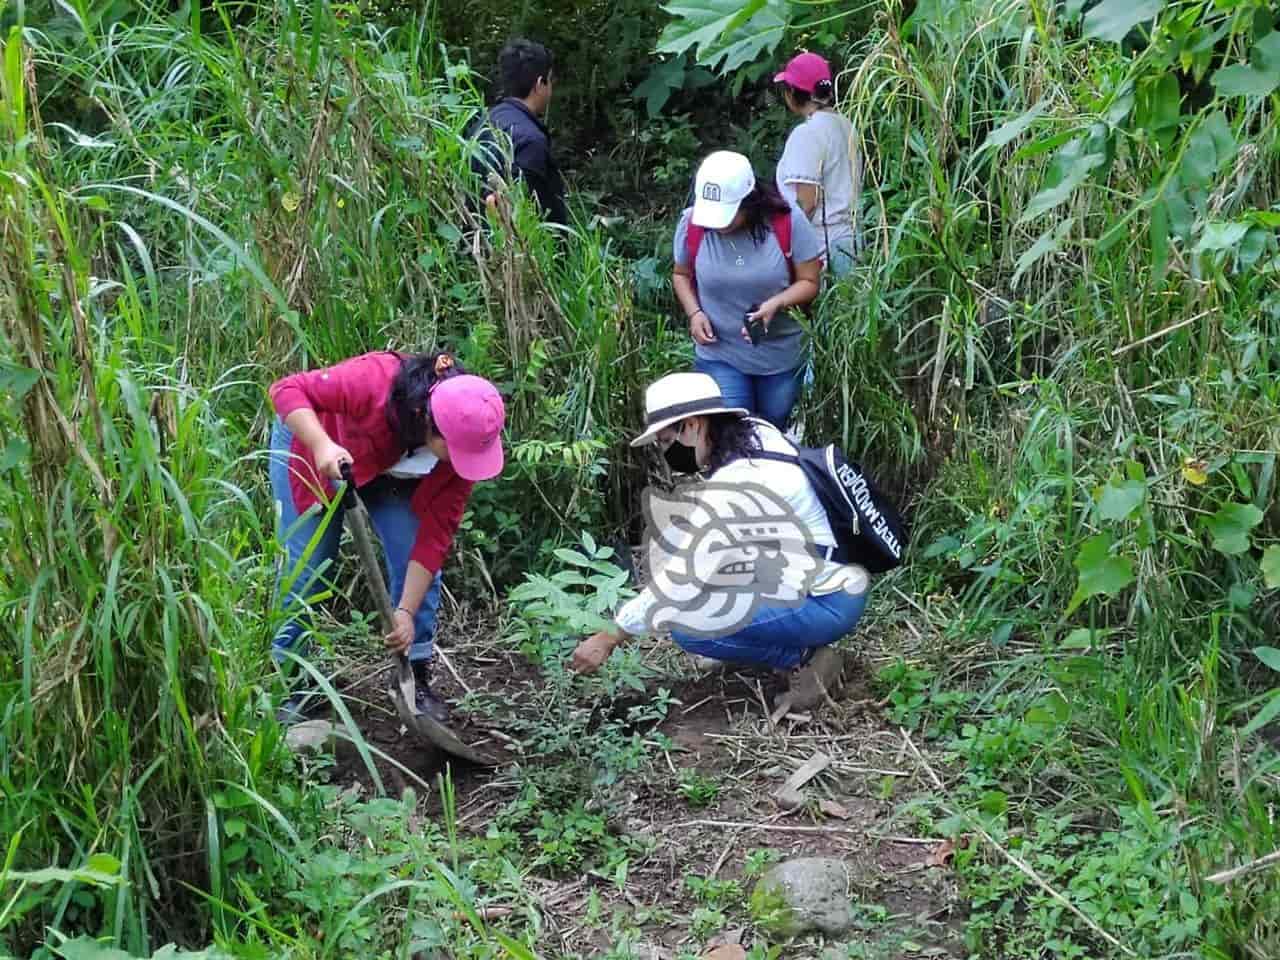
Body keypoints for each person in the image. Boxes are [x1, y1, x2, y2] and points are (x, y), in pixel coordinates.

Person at [569, 372, 870, 708]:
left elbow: (679, 582)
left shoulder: (738, 484)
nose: (666, 454)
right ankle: (765, 637)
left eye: (667, 441)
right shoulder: (758, 435)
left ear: (695, 425)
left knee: (688, 625)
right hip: (833, 577)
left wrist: (610, 636)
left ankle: (807, 658)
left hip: (827, 602)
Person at [268, 350, 505, 724]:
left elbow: (433, 540)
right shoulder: (374, 381)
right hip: (318, 443)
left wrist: (405, 613)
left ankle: (415, 678)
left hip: (391, 470)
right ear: (428, 421)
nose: (461, 463)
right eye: (454, 451)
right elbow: (287, 389)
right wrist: (321, 444)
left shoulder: (463, 451)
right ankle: (290, 682)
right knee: (309, 570)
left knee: (412, 554)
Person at [672, 151, 823, 431]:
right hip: (719, 353)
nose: (718, 225)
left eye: (727, 216)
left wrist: (776, 303)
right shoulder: (693, 223)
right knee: (731, 434)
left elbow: (810, 282)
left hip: (781, 356)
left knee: (773, 431)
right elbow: (681, 274)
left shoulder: (788, 221)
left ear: (750, 200)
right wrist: (694, 313)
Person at [774, 52, 861, 275]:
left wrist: (786, 247)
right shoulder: (846, 124)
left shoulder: (807, 133)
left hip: (822, 247)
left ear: (792, 93)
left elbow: (807, 201)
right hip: (853, 239)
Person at [471, 38, 567, 224]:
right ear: (540, 84)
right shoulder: (531, 141)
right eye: (551, 80)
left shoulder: (486, 120)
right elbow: (530, 215)